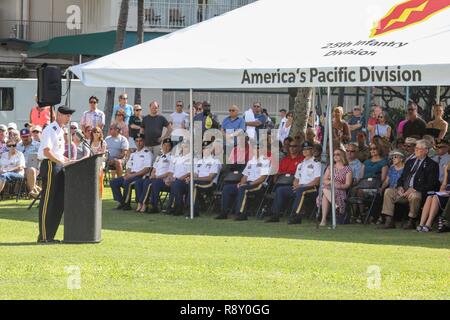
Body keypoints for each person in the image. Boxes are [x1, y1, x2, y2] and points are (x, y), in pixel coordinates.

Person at [37, 106, 76, 243]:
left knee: (58, 201)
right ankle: (43, 236)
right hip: (49, 165)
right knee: (48, 201)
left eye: (70, 115)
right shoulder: (50, 129)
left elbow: (58, 153)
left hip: (58, 166)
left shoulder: (61, 130)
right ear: (58, 114)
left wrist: (71, 161)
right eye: (66, 115)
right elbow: (47, 151)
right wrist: (61, 161)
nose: (68, 118)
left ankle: (50, 235)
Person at [379, 139, 439, 229]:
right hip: (404, 190)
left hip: (418, 191)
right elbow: (402, 178)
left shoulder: (432, 164)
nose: (416, 150)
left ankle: (412, 220)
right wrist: (399, 187)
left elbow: (431, 183)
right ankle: (389, 220)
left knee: (414, 196)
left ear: (426, 151)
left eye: (419, 149)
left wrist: (414, 188)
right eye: (416, 148)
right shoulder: (410, 162)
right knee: (388, 191)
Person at [265, 141, 321, 223]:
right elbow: (296, 179)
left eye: (308, 149)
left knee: (300, 191)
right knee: (280, 190)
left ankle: (296, 216)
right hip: (300, 187)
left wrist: (301, 187)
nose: (305, 151)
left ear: (312, 150)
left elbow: (317, 181)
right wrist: (296, 185)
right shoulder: (300, 164)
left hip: (312, 188)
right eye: (304, 149)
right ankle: (275, 215)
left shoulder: (316, 163)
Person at [217, 143, 272, 220]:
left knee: (243, 189)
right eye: (255, 148)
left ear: (263, 150)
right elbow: (245, 176)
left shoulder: (266, 161)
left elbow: (262, 178)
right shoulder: (251, 161)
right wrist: (242, 183)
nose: (256, 150)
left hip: (258, 185)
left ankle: (241, 214)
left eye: (259, 148)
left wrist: (249, 184)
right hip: (247, 184)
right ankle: (223, 212)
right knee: (227, 188)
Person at [110, 134, 152, 211]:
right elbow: (129, 166)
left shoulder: (147, 153)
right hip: (131, 175)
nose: (139, 143)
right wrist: (128, 174)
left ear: (144, 142)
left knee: (127, 182)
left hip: (140, 176)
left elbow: (147, 169)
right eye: (137, 141)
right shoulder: (133, 154)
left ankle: (127, 205)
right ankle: (122, 202)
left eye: (140, 141)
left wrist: (132, 175)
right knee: (113, 182)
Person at [134, 138, 173, 213]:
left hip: (164, 180)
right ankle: (140, 202)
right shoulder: (159, 157)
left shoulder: (172, 157)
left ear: (170, 147)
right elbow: (154, 169)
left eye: (168, 146)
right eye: (164, 145)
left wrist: (157, 177)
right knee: (140, 182)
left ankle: (149, 205)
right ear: (162, 146)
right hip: (155, 178)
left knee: (151, 183)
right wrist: (152, 175)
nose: (166, 147)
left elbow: (170, 172)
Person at [187, 141, 222, 217]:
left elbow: (210, 178)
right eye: (203, 149)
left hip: (210, 184)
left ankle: (193, 210)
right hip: (199, 182)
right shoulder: (199, 161)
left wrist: (194, 179)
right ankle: (190, 208)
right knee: (189, 183)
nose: (204, 150)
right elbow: (195, 174)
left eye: (207, 148)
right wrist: (191, 178)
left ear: (211, 150)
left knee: (193, 184)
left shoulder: (215, 161)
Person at [318, 148, 353, 226]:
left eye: (337, 154)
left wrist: (339, 185)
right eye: (334, 154)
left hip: (339, 190)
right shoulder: (330, 167)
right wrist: (332, 182)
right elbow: (324, 180)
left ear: (342, 156)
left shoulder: (347, 169)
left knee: (324, 192)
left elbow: (347, 184)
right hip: (329, 188)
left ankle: (323, 220)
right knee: (324, 189)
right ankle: (335, 207)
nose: (335, 156)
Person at [416, 163, 450, 232]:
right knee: (430, 197)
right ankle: (421, 224)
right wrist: (442, 191)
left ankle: (428, 224)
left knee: (435, 197)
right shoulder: (448, 166)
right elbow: (443, 186)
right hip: (446, 191)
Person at [166, 140, 191, 215]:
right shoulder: (177, 158)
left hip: (186, 181)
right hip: (176, 180)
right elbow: (172, 170)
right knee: (173, 183)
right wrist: (169, 178)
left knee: (176, 184)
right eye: (183, 147)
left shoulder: (192, 158)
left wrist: (179, 178)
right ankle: (171, 207)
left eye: (186, 147)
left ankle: (178, 207)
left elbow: (190, 172)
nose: (184, 149)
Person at [17, 128, 41, 198]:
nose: (25, 138)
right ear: (21, 137)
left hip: (35, 168)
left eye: (27, 136)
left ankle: (32, 192)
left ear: (30, 135)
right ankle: (36, 191)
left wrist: (38, 158)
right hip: (21, 169)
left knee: (31, 170)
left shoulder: (38, 145)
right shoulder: (18, 146)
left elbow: (43, 157)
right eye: (23, 137)